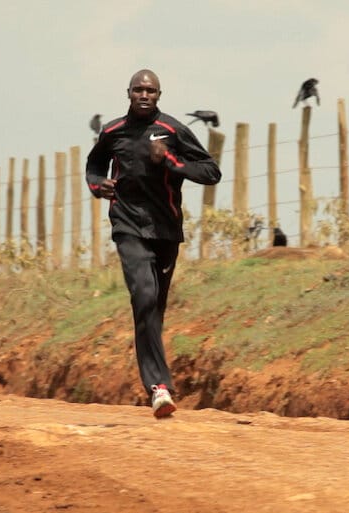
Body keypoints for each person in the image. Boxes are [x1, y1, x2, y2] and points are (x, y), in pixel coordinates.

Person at [85, 69, 222, 418]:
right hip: (127, 224)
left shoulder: (174, 130)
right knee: (143, 295)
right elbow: (94, 164)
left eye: (150, 91)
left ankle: (158, 382)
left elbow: (211, 171)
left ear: (159, 95)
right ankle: (159, 387)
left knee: (153, 310)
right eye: (138, 90)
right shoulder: (113, 131)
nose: (144, 95)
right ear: (127, 93)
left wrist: (172, 161)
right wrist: (98, 185)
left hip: (165, 230)